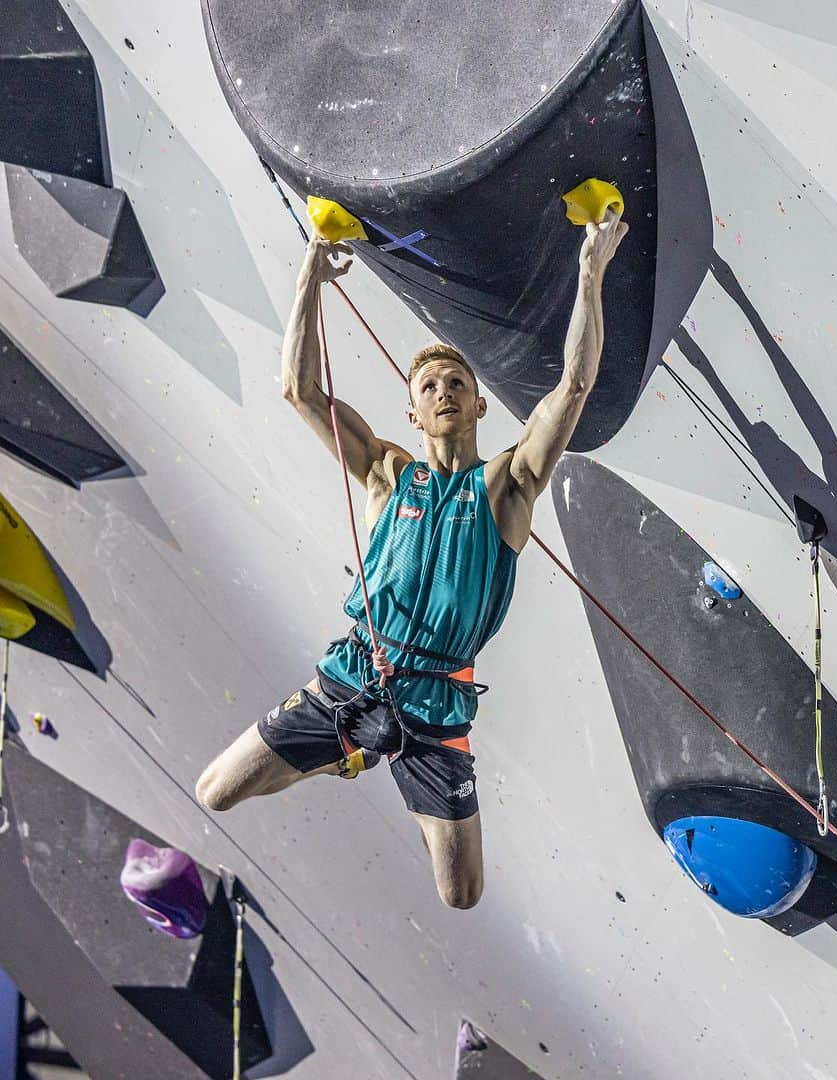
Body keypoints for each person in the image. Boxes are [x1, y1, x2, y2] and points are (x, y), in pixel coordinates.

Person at [196, 206, 628, 909]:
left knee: (461, 893)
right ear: (414, 416)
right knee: (215, 791)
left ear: (481, 406)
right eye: (429, 387)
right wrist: (311, 271)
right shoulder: (387, 476)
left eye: (457, 382)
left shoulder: (507, 486)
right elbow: (298, 391)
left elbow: (572, 388)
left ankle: (373, 755)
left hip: (434, 708)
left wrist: (590, 274)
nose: (443, 390)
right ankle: (340, 754)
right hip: (349, 678)